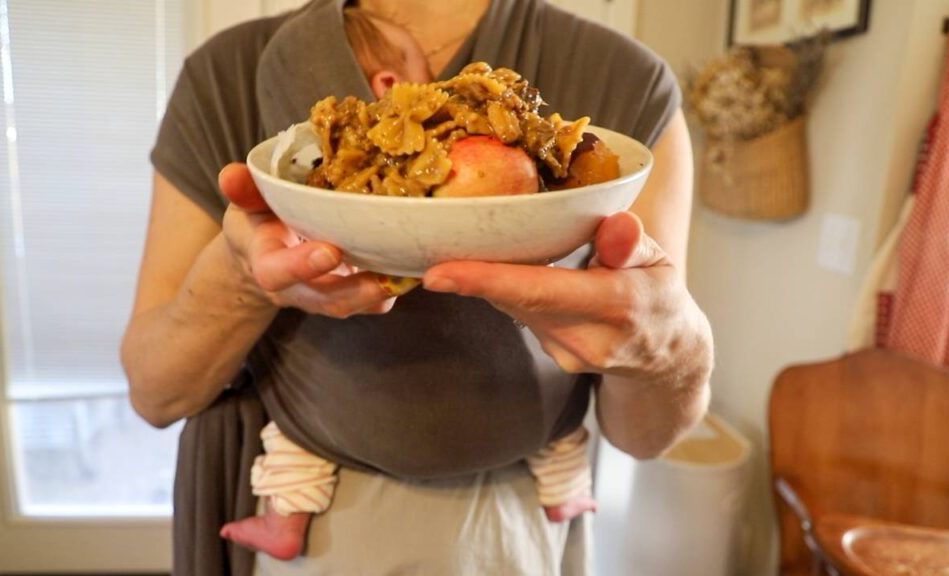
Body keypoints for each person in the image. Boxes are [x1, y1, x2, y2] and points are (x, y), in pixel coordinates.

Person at [121, 0, 713, 574]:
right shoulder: (229, 72)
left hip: (521, 516)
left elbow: (646, 434)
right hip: (304, 505)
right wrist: (242, 278)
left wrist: (675, 356)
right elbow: (156, 393)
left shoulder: (628, 80)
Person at [217, 7, 598, 560]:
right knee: (562, 432)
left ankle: (285, 517)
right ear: (391, 85)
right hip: (344, 472)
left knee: (562, 426)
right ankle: (568, 491)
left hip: (518, 493)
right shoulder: (253, 69)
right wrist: (239, 270)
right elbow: (155, 392)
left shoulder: (613, 73)